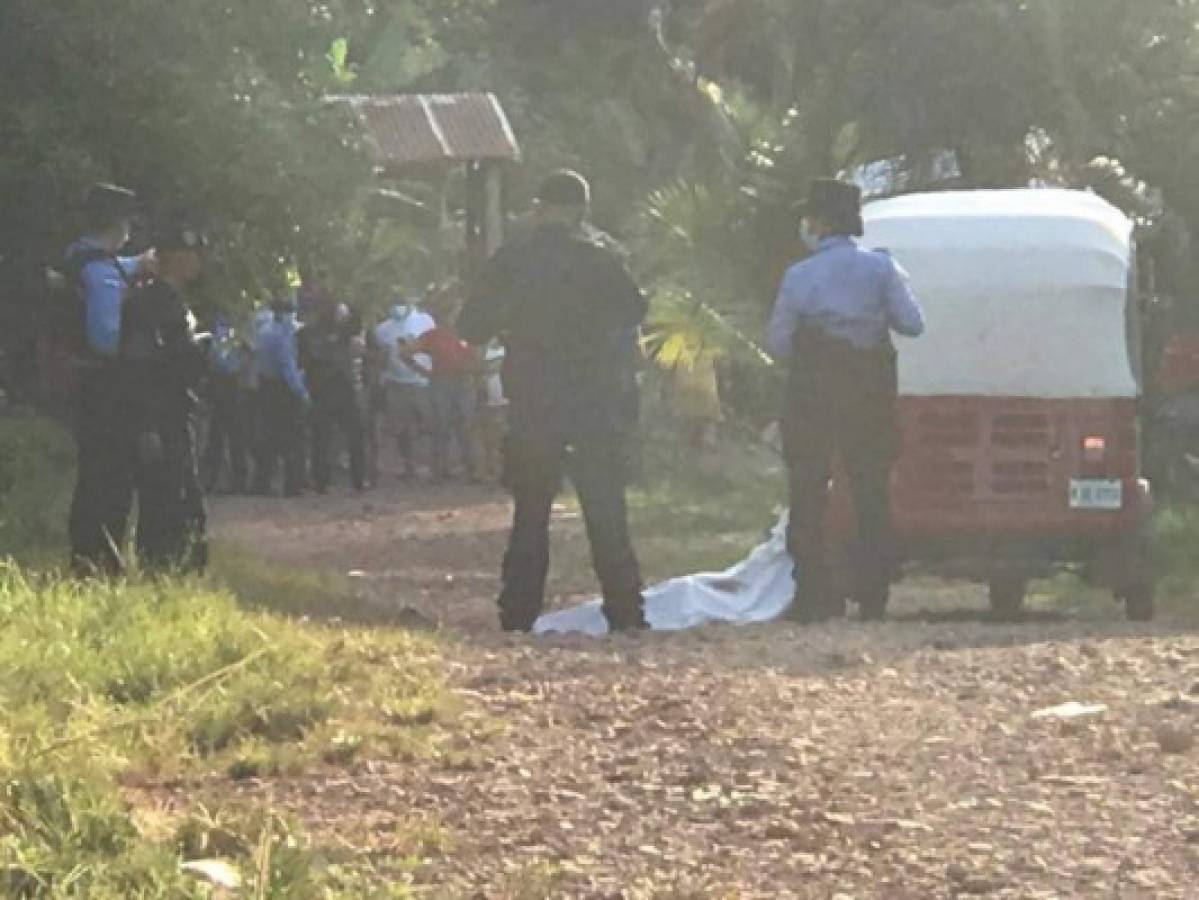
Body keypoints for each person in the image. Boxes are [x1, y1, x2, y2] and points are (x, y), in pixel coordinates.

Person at [458, 170, 648, 633]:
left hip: (533, 399)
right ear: (582, 209)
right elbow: (635, 312)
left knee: (531, 511)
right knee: (605, 508)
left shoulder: (512, 260)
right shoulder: (602, 260)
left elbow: (472, 326)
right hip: (594, 400)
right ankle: (625, 611)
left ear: (539, 208)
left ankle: (518, 611)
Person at [765, 178, 925, 623]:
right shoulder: (881, 269)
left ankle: (814, 594)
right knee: (870, 489)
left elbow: (778, 341)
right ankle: (873, 593)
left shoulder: (799, 276)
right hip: (868, 388)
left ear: (816, 222)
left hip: (813, 391)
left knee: (808, 489)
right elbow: (912, 324)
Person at [64, 183, 156, 575]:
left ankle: (87, 557)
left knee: (92, 473)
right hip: (107, 389)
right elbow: (106, 339)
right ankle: (101, 561)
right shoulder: (102, 275)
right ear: (119, 224)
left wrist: (139, 264)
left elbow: (114, 269)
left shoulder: (78, 257)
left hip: (83, 385)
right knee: (111, 477)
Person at [120, 220, 210, 573]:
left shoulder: (175, 301)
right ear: (173, 256)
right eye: (191, 253)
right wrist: (147, 425)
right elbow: (140, 369)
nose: (198, 261)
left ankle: (182, 571)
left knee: (185, 499)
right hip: (159, 415)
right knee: (163, 501)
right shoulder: (149, 303)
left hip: (178, 408)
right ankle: (159, 571)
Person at [402, 287, 479, 481]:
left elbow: (479, 356)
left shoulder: (468, 334)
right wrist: (424, 372)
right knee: (441, 425)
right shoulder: (433, 335)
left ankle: (472, 468)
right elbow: (406, 352)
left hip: (464, 381)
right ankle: (441, 469)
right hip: (442, 382)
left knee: (466, 425)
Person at [300, 291, 367, 492]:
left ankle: (357, 479)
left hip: (342, 387)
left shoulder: (344, 332)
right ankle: (322, 481)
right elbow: (312, 358)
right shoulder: (311, 334)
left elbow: (356, 324)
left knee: (352, 435)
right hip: (324, 388)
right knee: (323, 438)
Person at [251, 297, 310, 496]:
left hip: (265, 386)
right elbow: (288, 367)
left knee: (267, 436)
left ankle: (261, 482)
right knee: (292, 438)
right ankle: (293, 484)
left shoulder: (263, 330)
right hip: (282, 389)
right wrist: (301, 392)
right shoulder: (283, 334)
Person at [372, 298, 435, 480]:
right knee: (401, 428)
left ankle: (427, 462)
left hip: (422, 382)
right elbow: (382, 358)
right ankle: (408, 465)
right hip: (396, 383)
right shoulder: (382, 330)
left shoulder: (425, 320)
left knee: (427, 424)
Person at [200, 316, 251, 494]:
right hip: (230, 388)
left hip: (219, 389)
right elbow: (232, 364)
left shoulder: (214, 336)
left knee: (218, 438)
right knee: (234, 437)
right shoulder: (235, 335)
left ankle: (212, 480)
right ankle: (238, 481)